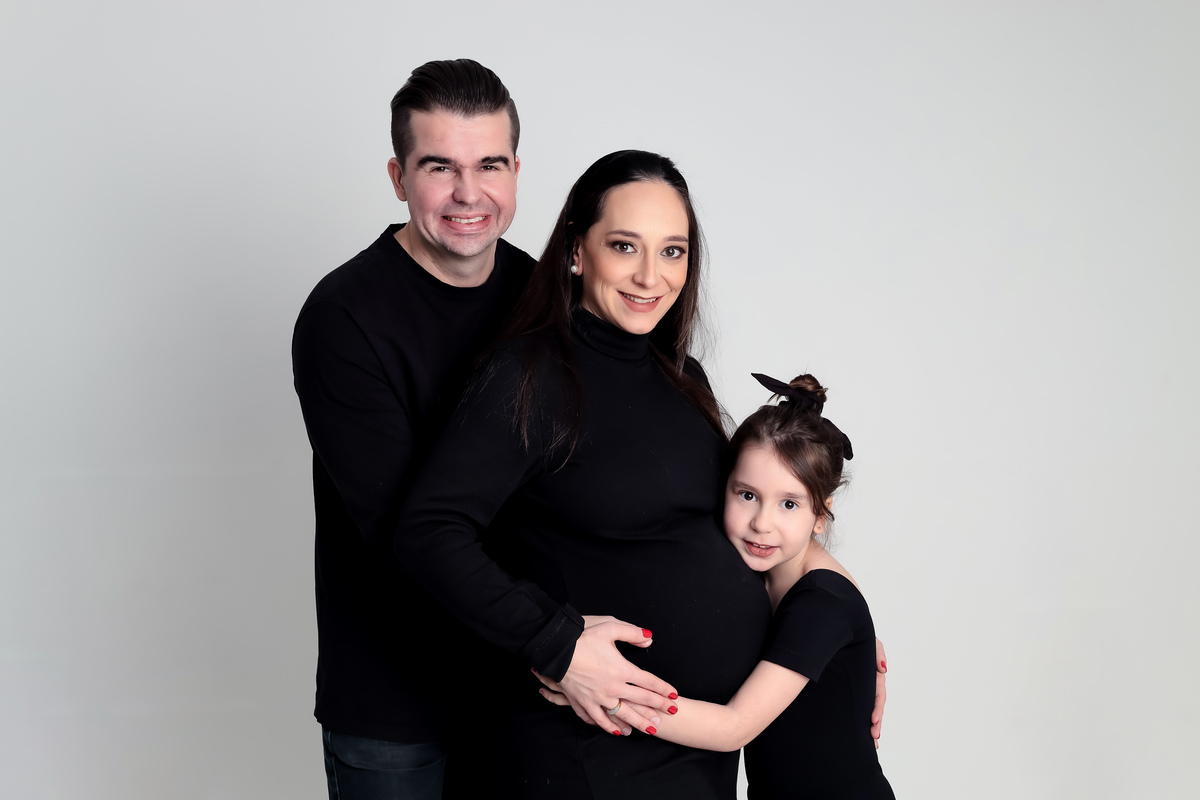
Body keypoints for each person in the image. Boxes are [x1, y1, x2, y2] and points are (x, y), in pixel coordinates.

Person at [394, 150, 773, 799]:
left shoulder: (684, 379)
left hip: (692, 752)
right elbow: (428, 533)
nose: (651, 275)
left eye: (673, 251)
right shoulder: (529, 377)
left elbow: (757, 519)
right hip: (582, 759)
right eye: (625, 246)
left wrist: (833, 626)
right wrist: (557, 644)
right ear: (576, 250)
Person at [542, 372, 896, 799]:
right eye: (747, 495)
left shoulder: (821, 602)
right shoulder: (771, 571)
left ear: (821, 515)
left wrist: (612, 696)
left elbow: (734, 728)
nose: (762, 522)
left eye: (789, 504)